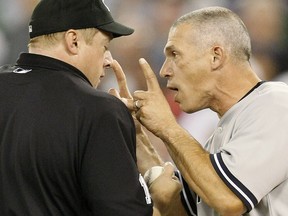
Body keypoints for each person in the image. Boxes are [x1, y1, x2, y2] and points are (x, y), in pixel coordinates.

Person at [0, 0, 182, 215]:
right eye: (104, 47)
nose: (108, 60)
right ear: (73, 40)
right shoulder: (99, 110)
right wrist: (161, 188)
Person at [113, 6, 288, 216]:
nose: (164, 70)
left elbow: (228, 200)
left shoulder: (276, 104)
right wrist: (140, 142)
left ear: (215, 56)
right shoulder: (221, 133)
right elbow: (184, 211)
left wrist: (167, 127)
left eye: (174, 54)